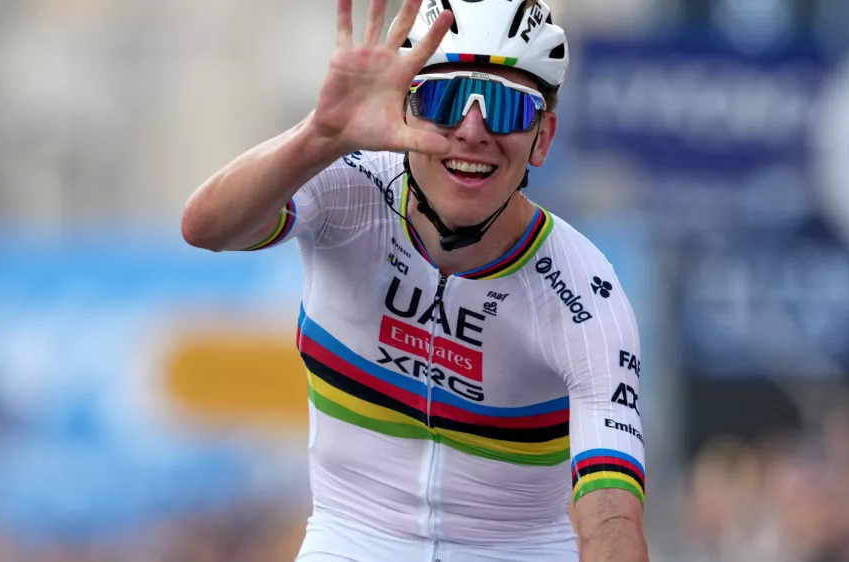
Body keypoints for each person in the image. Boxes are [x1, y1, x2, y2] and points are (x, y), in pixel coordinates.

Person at [181, 0, 647, 560]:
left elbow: (611, 518)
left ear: (542, 138)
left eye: (504, 106)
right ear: (405, 110)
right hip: (350, 540)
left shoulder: (583, 293)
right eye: (444, 99)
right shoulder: (347, 187)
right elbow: (205, 228)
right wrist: (320, 135)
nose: (472, 131)